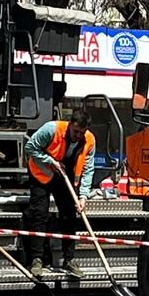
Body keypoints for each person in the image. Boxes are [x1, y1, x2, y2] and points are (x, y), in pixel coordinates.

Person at [23, 107, 96, 274]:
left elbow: (88, 169)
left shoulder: (89, 140)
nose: (78, 136)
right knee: (39, 214)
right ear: (70, 125)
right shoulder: (51, 129)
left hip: (64, 176)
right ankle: (37, 259)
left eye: (81, 133)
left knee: (69, 214)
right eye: (76, 131)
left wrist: (83, 196)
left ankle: (69, 259)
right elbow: (30, 147)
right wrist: (50, 161)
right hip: (41, 173)